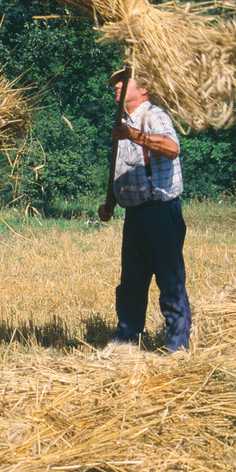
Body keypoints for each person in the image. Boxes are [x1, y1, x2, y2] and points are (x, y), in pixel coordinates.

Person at [98, 69, 191, 352]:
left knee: (169, 279)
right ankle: (126, 342)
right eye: (115, 83)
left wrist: (134, 135)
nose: (116, 87)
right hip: (136, 216)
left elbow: (172, 148)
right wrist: (111, 203)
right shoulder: (122, 124)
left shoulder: (154, 116)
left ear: (144, 90)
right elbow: (120, 168)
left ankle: (177, 348)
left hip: (162, 213)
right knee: (131, 283)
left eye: (123, 83)